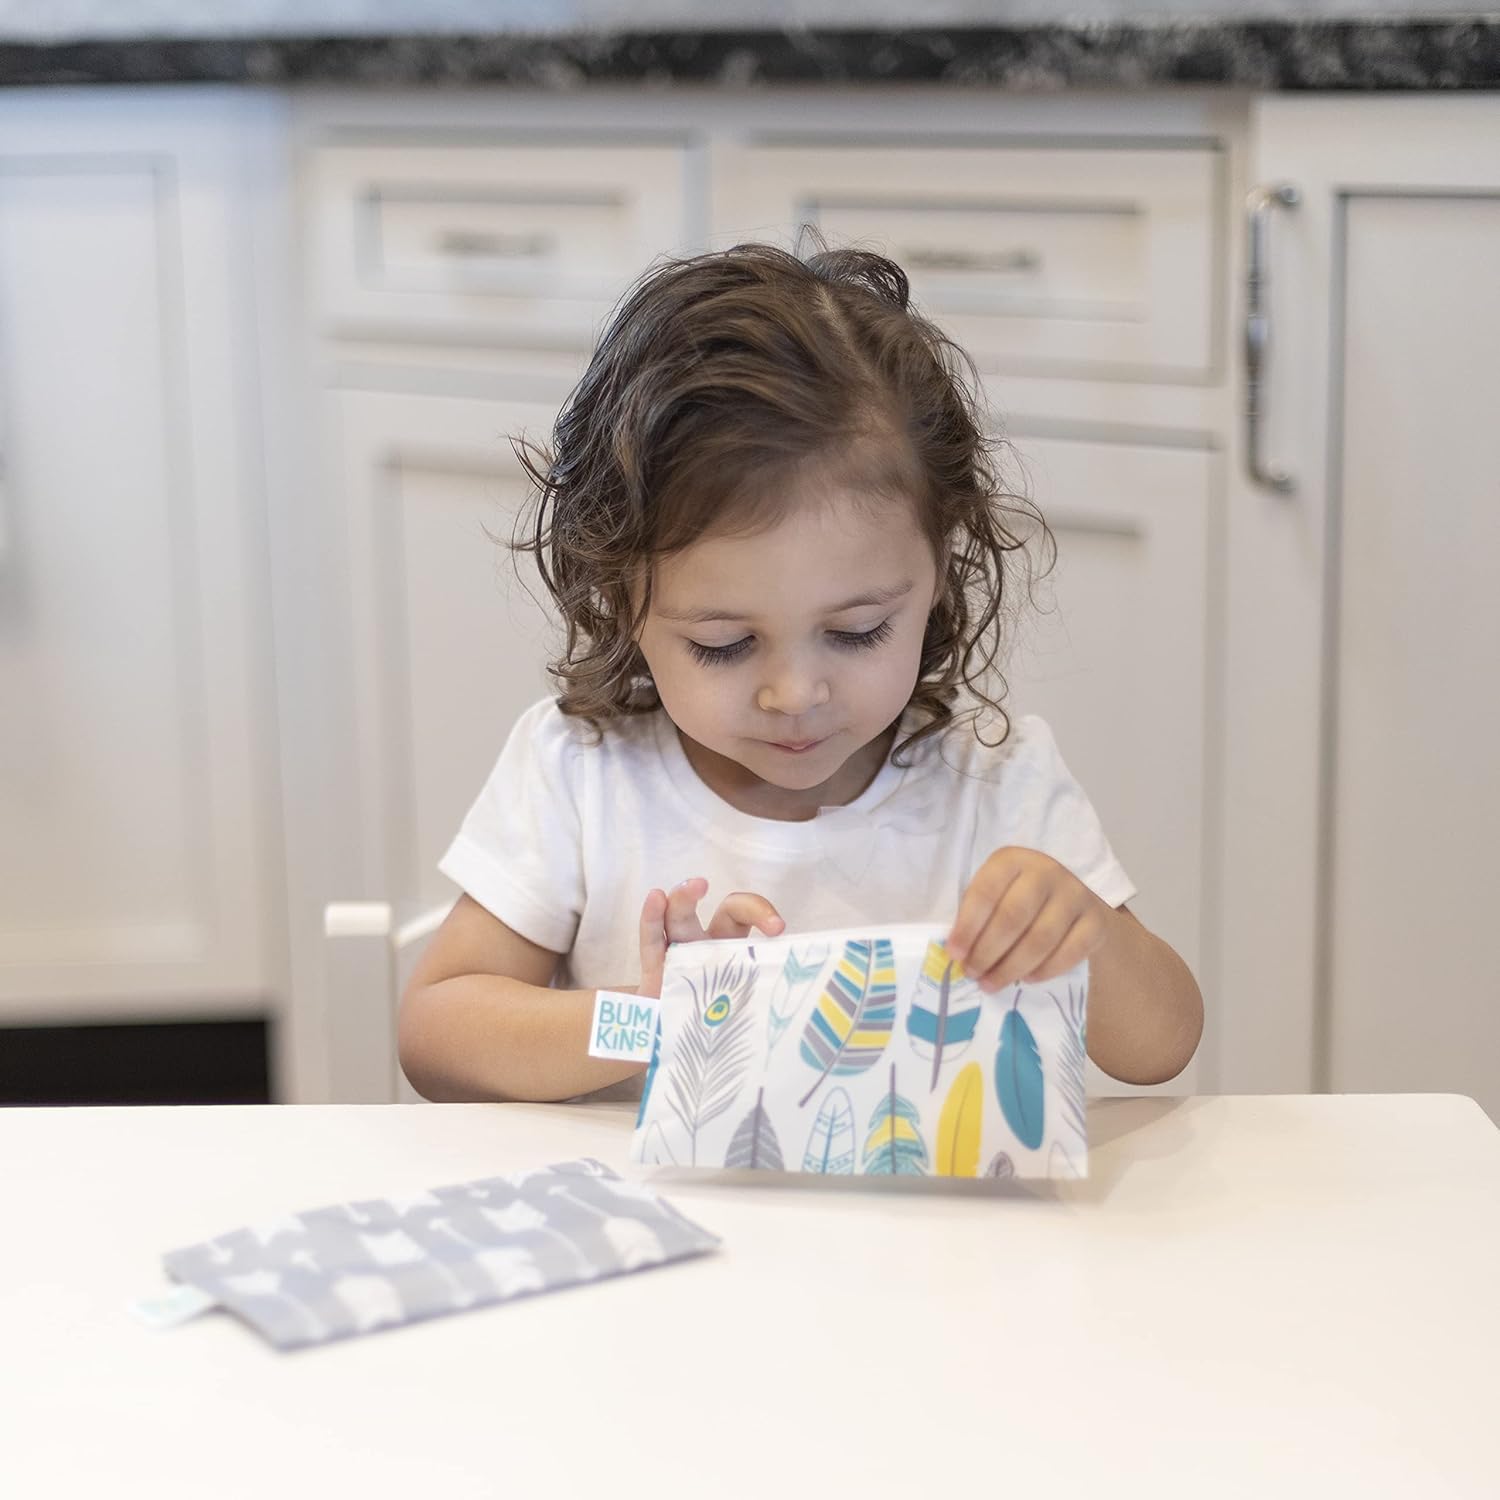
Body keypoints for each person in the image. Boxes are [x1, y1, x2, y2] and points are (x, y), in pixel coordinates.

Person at [399, 241, 1203, 1104]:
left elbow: (1164, 1045)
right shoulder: (583, 775)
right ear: (621, 596)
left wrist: (1088, 935)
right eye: (723, 644)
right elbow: (437, 1033)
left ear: (939, 570)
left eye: (857, 632)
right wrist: (653, 1019)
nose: (794, 695)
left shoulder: (995, 789)